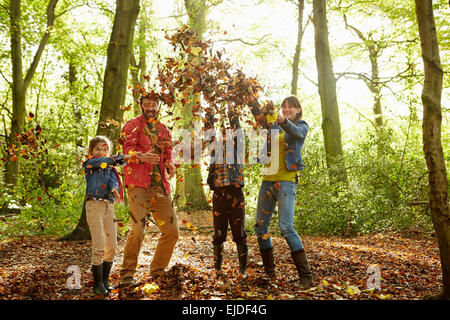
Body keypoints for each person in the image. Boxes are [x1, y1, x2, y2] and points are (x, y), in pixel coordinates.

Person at [247, 94, 313, 289]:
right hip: (268, 181)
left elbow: (295, 133)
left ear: (298, 110)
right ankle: (270, 273)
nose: (287, 109)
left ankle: (306, 277)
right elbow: (266, 152)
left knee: (286, 227)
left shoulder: (301, 126)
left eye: (291, 107)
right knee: (260, 227)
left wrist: (283, 121)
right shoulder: (274, 128)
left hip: (286, 181)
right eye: (284, 107)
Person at [120, 93, 178, 286]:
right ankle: (127, 273)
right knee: (138, 229)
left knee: (171, 231)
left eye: (153, 104)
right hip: (138, 184)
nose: (150, 108)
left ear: (158, 106)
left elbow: (169, 153)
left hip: (160, 186)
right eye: (146, 104)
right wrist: (140, 156)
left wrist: (171, 164)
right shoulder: (131, 126)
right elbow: (124, 153)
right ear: (141, 106)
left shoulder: (164, 130)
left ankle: (157, 271)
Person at [83, 135, 131, 296]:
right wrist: (117, 158)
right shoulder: (90, 164)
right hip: (94, 205)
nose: (102, 152)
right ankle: (97, 284)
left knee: (111, 245)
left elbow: (113, 180)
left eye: (105, 149)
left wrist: (114, 189)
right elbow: (102, 162)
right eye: (98, 149)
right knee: (99, 244)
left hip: (108, 206)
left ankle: (104, 280)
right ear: (91, 151)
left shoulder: (110, 167)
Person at [205, 106, 247, 277]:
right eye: (223, 134)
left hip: (235, 195)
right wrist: (209, 112)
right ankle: (217, 268)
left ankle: (242, 269)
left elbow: (239, 131)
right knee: (219, 233)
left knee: (239, 233)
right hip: (219, 196)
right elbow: (209, 132)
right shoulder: (215, 151)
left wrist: (232, 110)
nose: (226, 137)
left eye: (230, 134)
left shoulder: (237, 151)